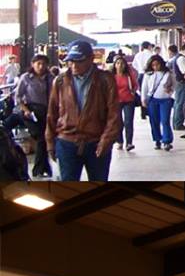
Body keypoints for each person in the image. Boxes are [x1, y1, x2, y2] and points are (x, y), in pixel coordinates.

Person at [46, 40, 120, 180]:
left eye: (79, 61)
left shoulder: (105, 80)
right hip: (66, 141)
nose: (73, 65)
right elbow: (52, 113)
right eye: (70, 61)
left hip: (96, 141)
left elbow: (114, 114)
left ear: (91, 59)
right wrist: (50, 142)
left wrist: (106, 140)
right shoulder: (60, 81)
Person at [14, 53, 52, 177]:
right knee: (41, 138)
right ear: (33, 64)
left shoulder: (50, 78)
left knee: (45, 139)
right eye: (38, 64)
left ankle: (45, 168)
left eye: (43, 64)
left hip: (46, 112)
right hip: (30, 112)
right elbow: (18, 97)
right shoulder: (26, 78)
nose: (41, 66)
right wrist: (25, 110)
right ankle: (38, 170)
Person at [140, 53, 175, 151]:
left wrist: (171, 92)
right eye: (153, 65)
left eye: (157, 64)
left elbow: (174, 84)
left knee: (165, 120)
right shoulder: (148, 74)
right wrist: (143, 99)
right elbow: (144, 87)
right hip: (152, 100)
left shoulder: (168, 73)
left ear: (161, 64)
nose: (155, 67)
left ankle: (167, 141)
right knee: (154, 121)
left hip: (165, 100)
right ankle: (157, 140)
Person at [112, 54, 139, 152]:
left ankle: (129, 142)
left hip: (128, 100)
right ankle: (119, 141)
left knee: (128, 122)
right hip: (116, 101)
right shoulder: (112, 76)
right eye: (118, 63)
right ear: (115, 65)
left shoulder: (128, 75)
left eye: (121, 63)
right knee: (118, 122)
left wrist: (133, 91)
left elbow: (135, 85)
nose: (119, 65)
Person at [167, 43, 185, 131]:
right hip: (182, 83)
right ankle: (178, 124)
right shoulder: (181, 58)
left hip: (179, 82)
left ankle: (176, 123)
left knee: (178, 103)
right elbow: (184, 70)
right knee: (180, 103)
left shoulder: (177, 57)